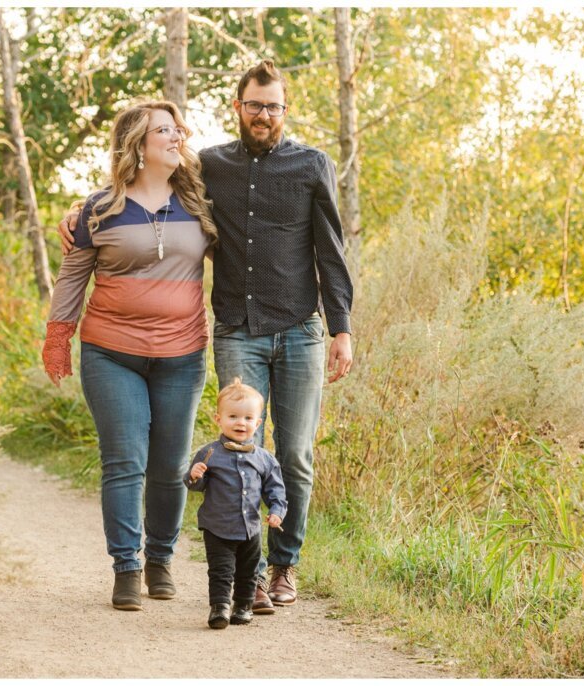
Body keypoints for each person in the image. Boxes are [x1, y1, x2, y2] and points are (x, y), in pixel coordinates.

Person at [57, 61, 354, 611]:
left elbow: (330, 250)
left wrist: (342, 328)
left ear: (285, 110)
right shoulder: (210, 167)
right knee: (244, 448)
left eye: (273, 106)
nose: (263, 115)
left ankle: (285, 565)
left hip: (301, 330)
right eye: (254, 105)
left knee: (294, 454)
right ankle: (252, 575)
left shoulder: (313, 165)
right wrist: (83, 209)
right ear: (237, 108)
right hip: (237, 329)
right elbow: (146, 182)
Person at [41, 100, 218, 611]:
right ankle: (127, 567)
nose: (177, 136)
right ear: (139, 145)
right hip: (111, 353)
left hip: (182, 355)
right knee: (124, 462)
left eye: (179, 128)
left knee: (170, 466)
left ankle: (160, 560)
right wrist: (58, 337)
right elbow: (73, 276)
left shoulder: (202, 203)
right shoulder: (99, 209)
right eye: (165, 130)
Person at [184, 378, 287, 629]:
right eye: (233, 416)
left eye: (248, 418)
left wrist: (276, 511)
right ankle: (219, 608)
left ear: (258, 423)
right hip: (217, 526)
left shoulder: (264, 459)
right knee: (220, 571)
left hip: (250, 527)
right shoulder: (209, 453)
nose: (241, 423)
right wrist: (194, 476)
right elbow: (196, 485)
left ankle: (243, 606)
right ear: (219, 419)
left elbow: (275, 490)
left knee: (248, 571)